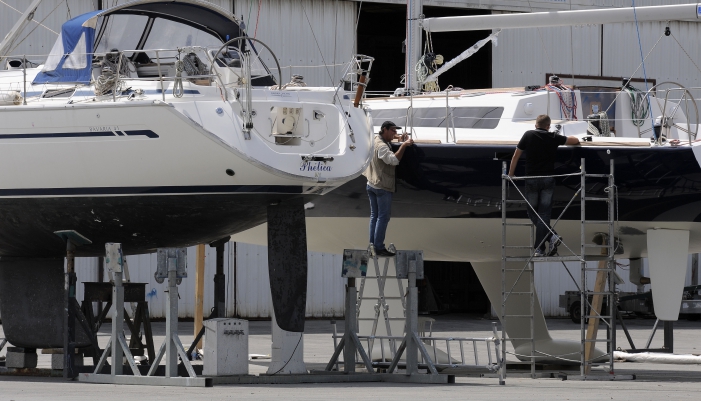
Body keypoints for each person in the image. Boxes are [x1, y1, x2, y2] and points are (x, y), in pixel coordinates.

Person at [508, 114, 580, 257]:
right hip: (548, 179)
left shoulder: (528, 135)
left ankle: (544, 245)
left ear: (535, 125)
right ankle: (544, 244)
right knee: (544, 214)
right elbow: (575, 140)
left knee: (532, 213)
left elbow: (516, 155)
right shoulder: (553, 137)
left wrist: (511, 174)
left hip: (532, 179)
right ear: (548, 126)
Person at [364, 121, 414, 257]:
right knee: (383, 217)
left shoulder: (376, 139)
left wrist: (398, 138)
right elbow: (393, 160)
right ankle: (379, 247)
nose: (394, 133)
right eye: (392, 130)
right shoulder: (381, 146)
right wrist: (403, 145)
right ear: (384, 129)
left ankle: (372, 246)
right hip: (382, 186)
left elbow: (386, 143)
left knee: (374, 216)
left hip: (371, 183)